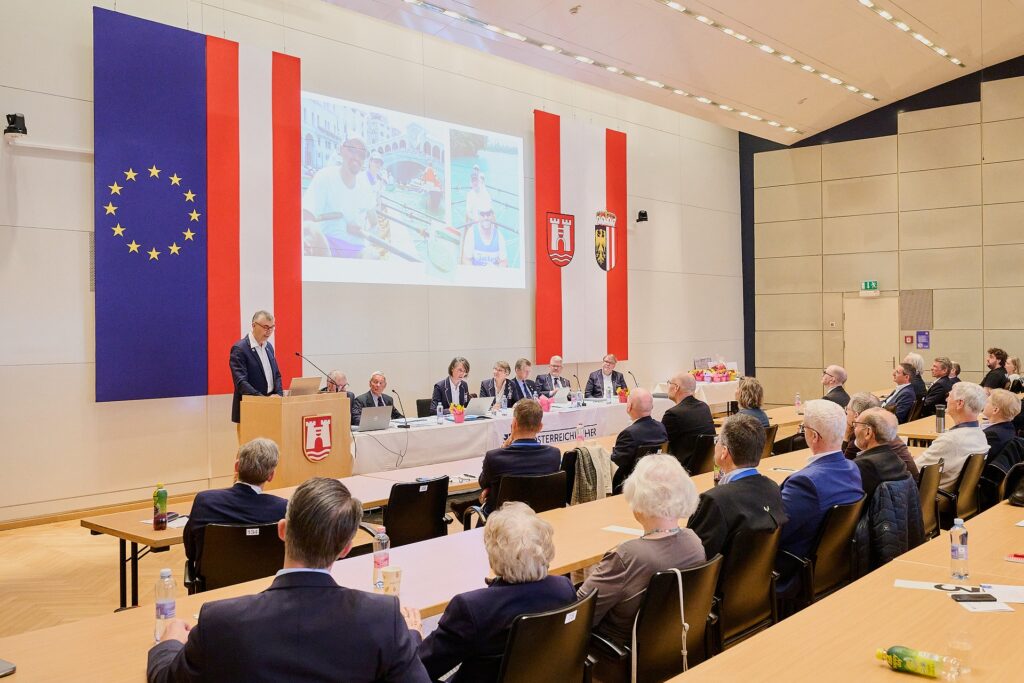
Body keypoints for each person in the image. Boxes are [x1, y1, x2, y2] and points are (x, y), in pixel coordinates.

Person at [148, 477, 429, 683]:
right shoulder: (382, 618)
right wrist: (411, 637)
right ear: (345, 549)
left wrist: (168, 644)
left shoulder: (220, 621)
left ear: (282, 531)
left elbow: (165, 679)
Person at [416, 503, 575, 682]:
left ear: (493, 554)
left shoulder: (471, 608)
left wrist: (413, 634)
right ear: (546, 548)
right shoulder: (564, 589)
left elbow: (418, 668)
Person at [578, 454, 705, 647]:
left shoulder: (628, 556)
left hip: (619, 652)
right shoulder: (694, 542)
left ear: (637, 498)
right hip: (674, 645)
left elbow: (582, 613)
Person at [776, 400, 863, 589]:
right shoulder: (852, 469)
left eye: (803, 427)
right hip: (833, 567)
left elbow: (775, 533)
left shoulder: (805, 483)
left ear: (813, 436)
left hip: (794, 572)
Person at [183, 438, 289, 575]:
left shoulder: (204, 501)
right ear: (271, 476)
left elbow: (191, 552)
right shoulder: (282, 508)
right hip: (264, 588)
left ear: (236, 467)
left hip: (213, 589)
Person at [688, 414, 787, 559]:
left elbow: (696, 560)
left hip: (721, 580)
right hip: (759, 578)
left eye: (718, 441)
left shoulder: (714, 500)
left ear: (724, 452)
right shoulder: (773, 488)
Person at [475, 399, 562, 515]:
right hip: (540, 518)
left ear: (514, 424)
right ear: (540, 427)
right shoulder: (554, 455)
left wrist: (503, 448)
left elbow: (483, 482)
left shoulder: (494, 457)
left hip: (503, 523)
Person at [301, 137, 379, 259]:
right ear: (342, 150)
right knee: (309, 228)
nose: (357, 157)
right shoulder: (325, 176)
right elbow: (306, 219)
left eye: (362, 154)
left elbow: (374, 224)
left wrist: (363, 233)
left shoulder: (365, 187)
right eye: (352, 150)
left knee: (373, 255)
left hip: (356, 248)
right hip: (327, 244)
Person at [914, 382, 990, 492]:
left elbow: (915, 469)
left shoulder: (951, 440)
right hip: (950, 496)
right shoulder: (980, 434)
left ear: (959, 403)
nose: (946, 400)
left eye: (949, 396)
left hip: (931, 494)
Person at [843, 392, 919, 479]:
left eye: (847, 409)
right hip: (910, 486)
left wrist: (846, 435)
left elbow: (841, 470)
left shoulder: (865, 435)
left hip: (896, 489)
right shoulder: (885, 429)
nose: (845, 413)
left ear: (855, 415)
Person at [230, 310, 283, 427]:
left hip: (271, 408)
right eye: (265, 327)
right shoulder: (240, 349)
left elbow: (277, 375)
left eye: (272, 327)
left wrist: (279, 395)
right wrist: (263, 400)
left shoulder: (268, 346)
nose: (269, 331)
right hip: (250, 408)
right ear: (253, 325)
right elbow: (241, 383)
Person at [609, 389, 669, 492]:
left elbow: (617, 460)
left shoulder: (628, 434)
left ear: (629, 407)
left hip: (630, 484)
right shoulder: (661, 427)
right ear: (652, 406)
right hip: (656, 479)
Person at [850, 408, 909, 500]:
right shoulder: (898, 461)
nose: (854, 430)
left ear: (868, 432)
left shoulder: (863, 466)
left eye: (856, 426)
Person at [661, 372, 716, 468]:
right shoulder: (704, 407)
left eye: (669, 383)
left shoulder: (673, 414)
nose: (668, 386)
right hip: (705, 466)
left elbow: (661, 444)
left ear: (676, 387)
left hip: (682, 468)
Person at [983, 389, 1020, 462]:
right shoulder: (1009, 427)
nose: (984, 403)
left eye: (987, 402)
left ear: (995, 410)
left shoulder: (992, 435)